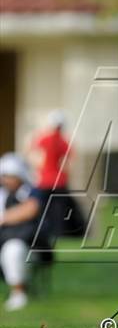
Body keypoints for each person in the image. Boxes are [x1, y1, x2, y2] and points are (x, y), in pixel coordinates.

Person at [0, 153, 46, 311]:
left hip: (31, 247)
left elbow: (30, 209)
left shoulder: (32, 192)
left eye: (9, 175)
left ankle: (18, 294)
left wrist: (4, 217)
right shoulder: (3, 194)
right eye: (4, 175)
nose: (6, 179)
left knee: (13, 249)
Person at [28, 110, 85, 238]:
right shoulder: (63, 141)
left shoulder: (43, 139)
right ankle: (59, 233)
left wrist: (38, 169)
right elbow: (68, 162)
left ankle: (43, 232)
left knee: (41, 208)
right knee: (59, 210)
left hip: (44, 182)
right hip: (59, 182)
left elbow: (33, 155)